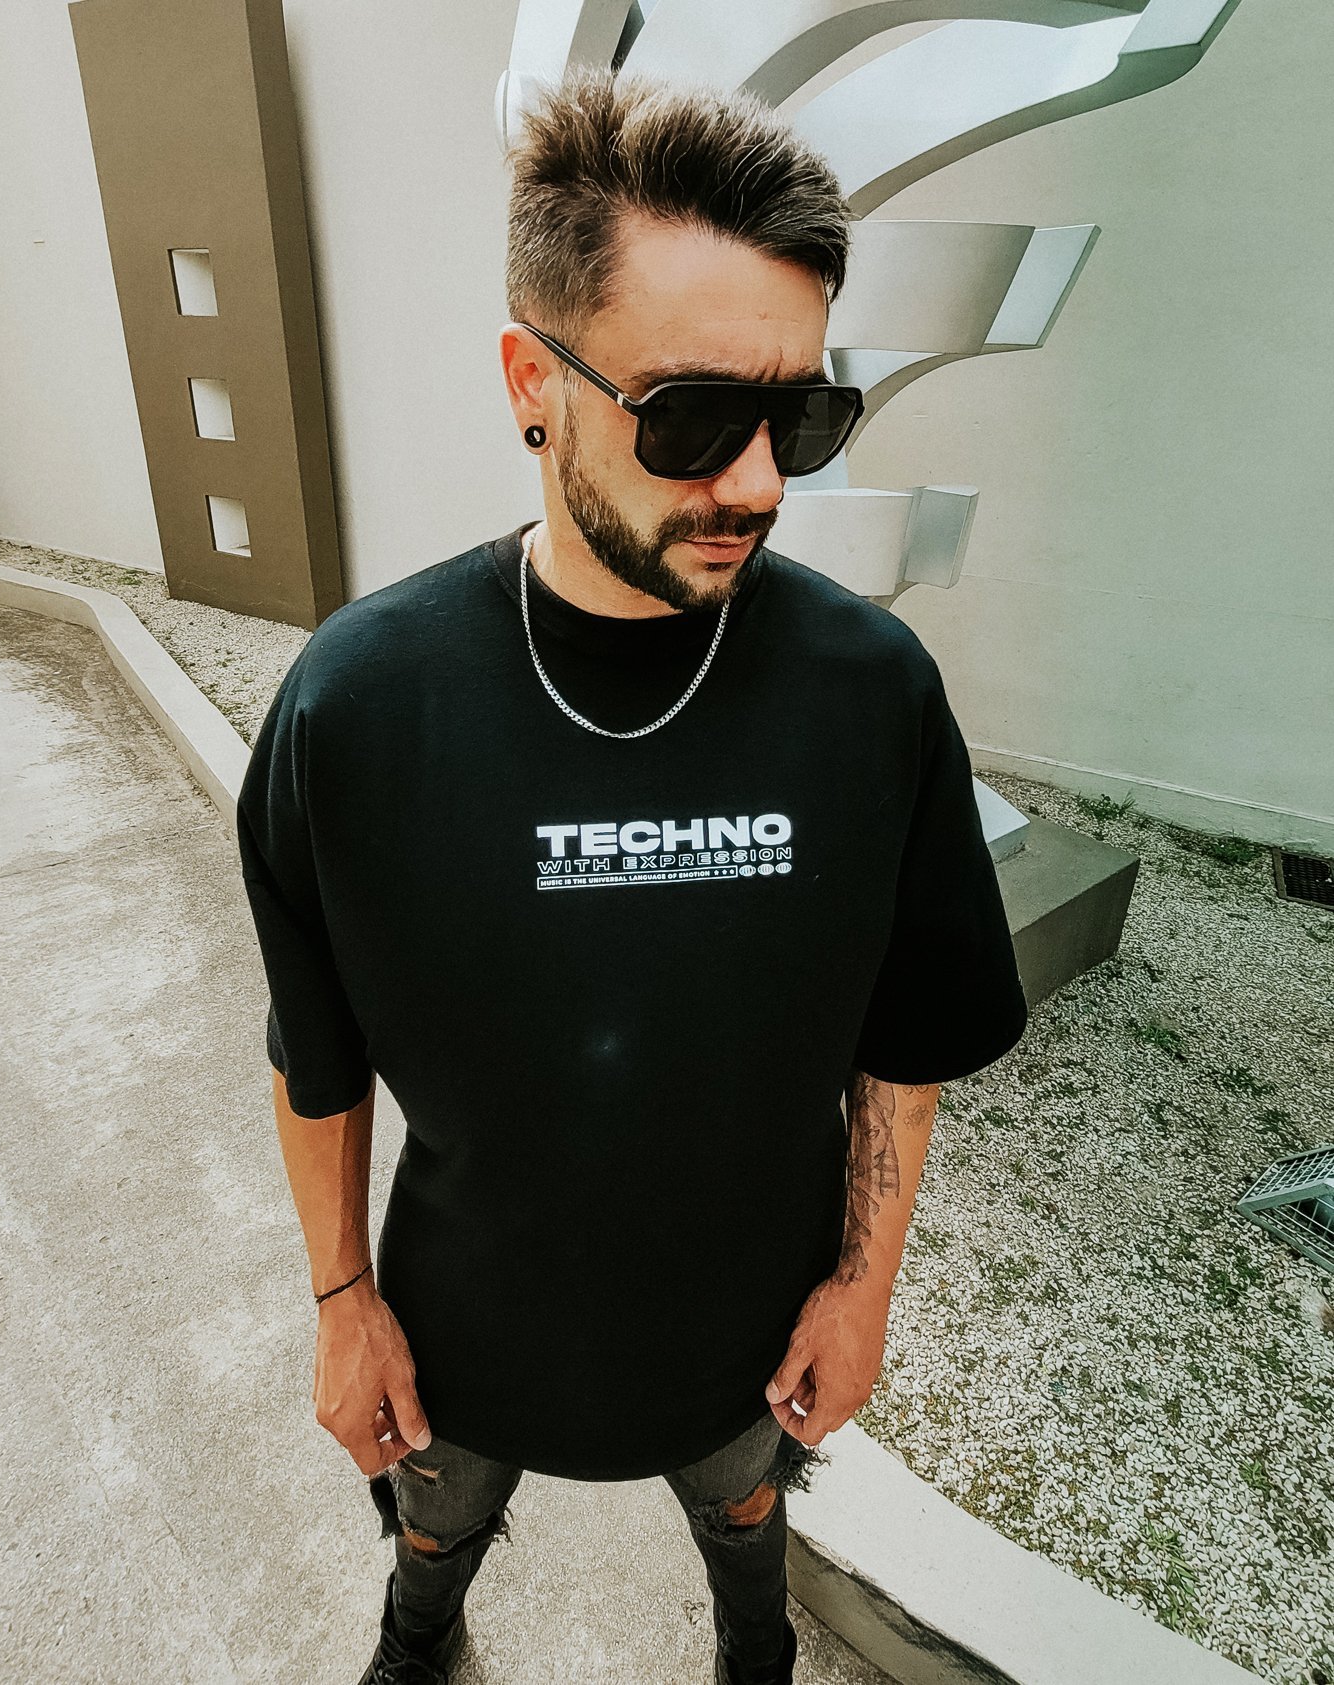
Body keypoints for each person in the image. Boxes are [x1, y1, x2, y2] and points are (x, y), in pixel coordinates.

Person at [235, 65, 1029, 1685]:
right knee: (434, 1518)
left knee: (746, 1510)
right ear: (533, 381)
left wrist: (862, 1287)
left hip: (746, 1320)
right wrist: (340, 1296)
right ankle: (418, 1638)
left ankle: (755, 1650)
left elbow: (905, 1035)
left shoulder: (870, 694)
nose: (757, 482)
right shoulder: (360, 704)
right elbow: (313, 1050)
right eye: (689, 417)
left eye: (799, 417)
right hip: (461, 1317)